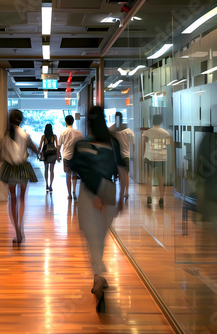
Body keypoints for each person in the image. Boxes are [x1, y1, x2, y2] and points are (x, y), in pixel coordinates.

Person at [69, 106, 126, 314]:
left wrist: (96, 192)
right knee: (100, 237)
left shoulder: (82, 144)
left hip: (89, 193)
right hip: (109, 190)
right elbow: (121, 170)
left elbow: (76, 169)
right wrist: (122, 197)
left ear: (89, 123)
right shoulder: (113, 142)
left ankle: (97, 277)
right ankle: (97, 275)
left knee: (92, 237)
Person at [0, 109, 39, 244]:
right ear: (21, 120)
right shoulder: (25, 135)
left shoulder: (6, 135)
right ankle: (20, 226)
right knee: (22, 198)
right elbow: (36, 150)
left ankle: (16, 230)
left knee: (13, 199)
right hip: (23, 169)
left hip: (10, 169)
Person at [142, 114, 172, 206]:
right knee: (161, 178)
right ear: (160, 121)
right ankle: (161, 197)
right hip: (161, 157)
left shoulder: (147, 133)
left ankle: (149, 196)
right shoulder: (165, 133)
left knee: (149, 177)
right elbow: (168, 145)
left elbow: (144, 145)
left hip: (149, 156)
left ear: (152, 121)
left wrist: (143, 155)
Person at [109, 112, 134, 200]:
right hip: (127, 155)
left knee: (119, 175)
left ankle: (121, 192)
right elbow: (133, 143)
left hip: (117, 156)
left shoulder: (112, 130)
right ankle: (126, 192)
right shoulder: (128, 131)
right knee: (125, 175)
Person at [57, 115, 83, 200]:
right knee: (74, 174)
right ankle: (74, 191)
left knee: (68, 175)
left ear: (66, 121)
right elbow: (82, 145)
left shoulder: (63, 133)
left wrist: (58, 155)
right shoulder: (79, 133)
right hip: (76, 156)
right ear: (73, 121)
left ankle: (69, 194)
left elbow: (59, 145)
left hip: (66, 156)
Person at [38, 123, 58, 192]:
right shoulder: (54, 136)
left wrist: (38, 153)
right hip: (53, 153)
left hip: (45, 153)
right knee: (52, 170)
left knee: (46, 169)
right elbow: (57, 146)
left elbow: (40, 146)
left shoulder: (43, 136)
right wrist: (59, 155)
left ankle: (46, 184)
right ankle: (51, 185)